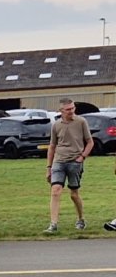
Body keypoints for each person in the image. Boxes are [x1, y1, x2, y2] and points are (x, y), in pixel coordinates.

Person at [45, 96, 93, 233]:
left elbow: (90, 142)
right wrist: (48, 167)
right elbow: (52, 146)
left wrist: (82, 157)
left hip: (75, 162)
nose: (71, 111)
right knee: (55, 191)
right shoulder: (56, 125)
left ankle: (81, 219)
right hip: (58, 162)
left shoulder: (81, 122)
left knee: (74, 194)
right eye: (68, 109)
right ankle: (53, 224)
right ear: (61, 110)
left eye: (72, 108)